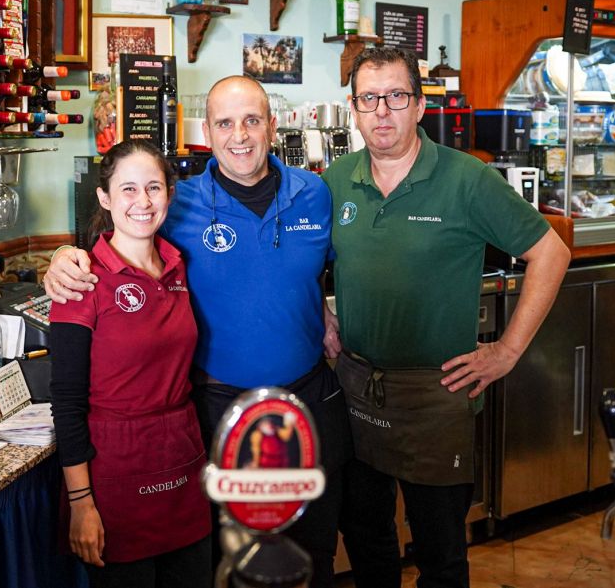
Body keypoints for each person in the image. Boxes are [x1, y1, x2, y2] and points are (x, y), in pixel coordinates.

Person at [45, 75, 349, 588]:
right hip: (217, 409)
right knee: (227, 563)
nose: (240, 135)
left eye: (252, 120)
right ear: (207, 132)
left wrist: (319, 306)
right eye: (225, 123)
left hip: (307, 402)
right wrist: (61, 257)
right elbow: (116, 236)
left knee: (311, 552)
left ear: (273, 126)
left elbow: (314, 269)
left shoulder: (314, 193)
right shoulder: (177, 204)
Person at [325, 46, 570, 588]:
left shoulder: (467, 179)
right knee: (365, 538)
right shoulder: (336, 179)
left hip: (438, 395)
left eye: (396, 96)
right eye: (369, 98)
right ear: (354, 108)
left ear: (419, 106)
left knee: (440, 555)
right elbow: (299, 257)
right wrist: (319, 313)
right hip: (358, 389)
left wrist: (507, 350)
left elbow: (552, 253)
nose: (382, 111)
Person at [49, 139, 211, 588]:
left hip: (183, 465)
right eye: (128, 189)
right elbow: (66, 402)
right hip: (114, 476)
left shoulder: (179, 265)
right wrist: (81, 503)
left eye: (154, 188)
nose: (143, 201)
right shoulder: (80, 280)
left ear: (170, 194)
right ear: (104, 197)